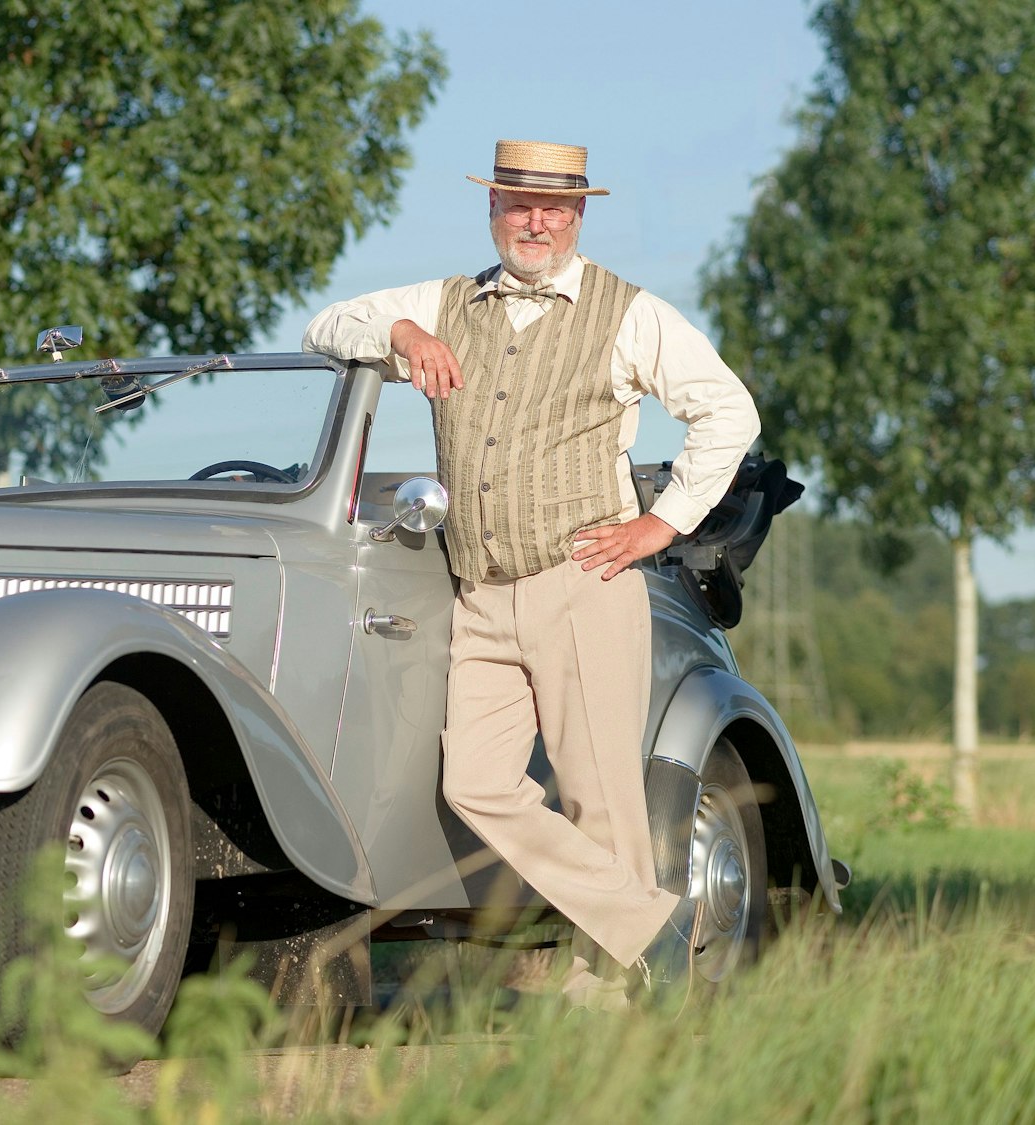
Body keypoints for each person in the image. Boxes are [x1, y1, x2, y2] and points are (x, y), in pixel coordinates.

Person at [303, 139, 761, 1005]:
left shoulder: (627, 313)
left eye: (554, 207)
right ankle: (652, 925)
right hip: (479, 594)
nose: (536, 221)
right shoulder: (444, 302)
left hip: (581, 584)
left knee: (601, 799)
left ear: (579, 215)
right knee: (472, 782)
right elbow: (323, 327)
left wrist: (659, 525)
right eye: (519, 203)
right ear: (493, 210)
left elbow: (728, 412)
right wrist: (398, 333)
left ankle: (612, 988)